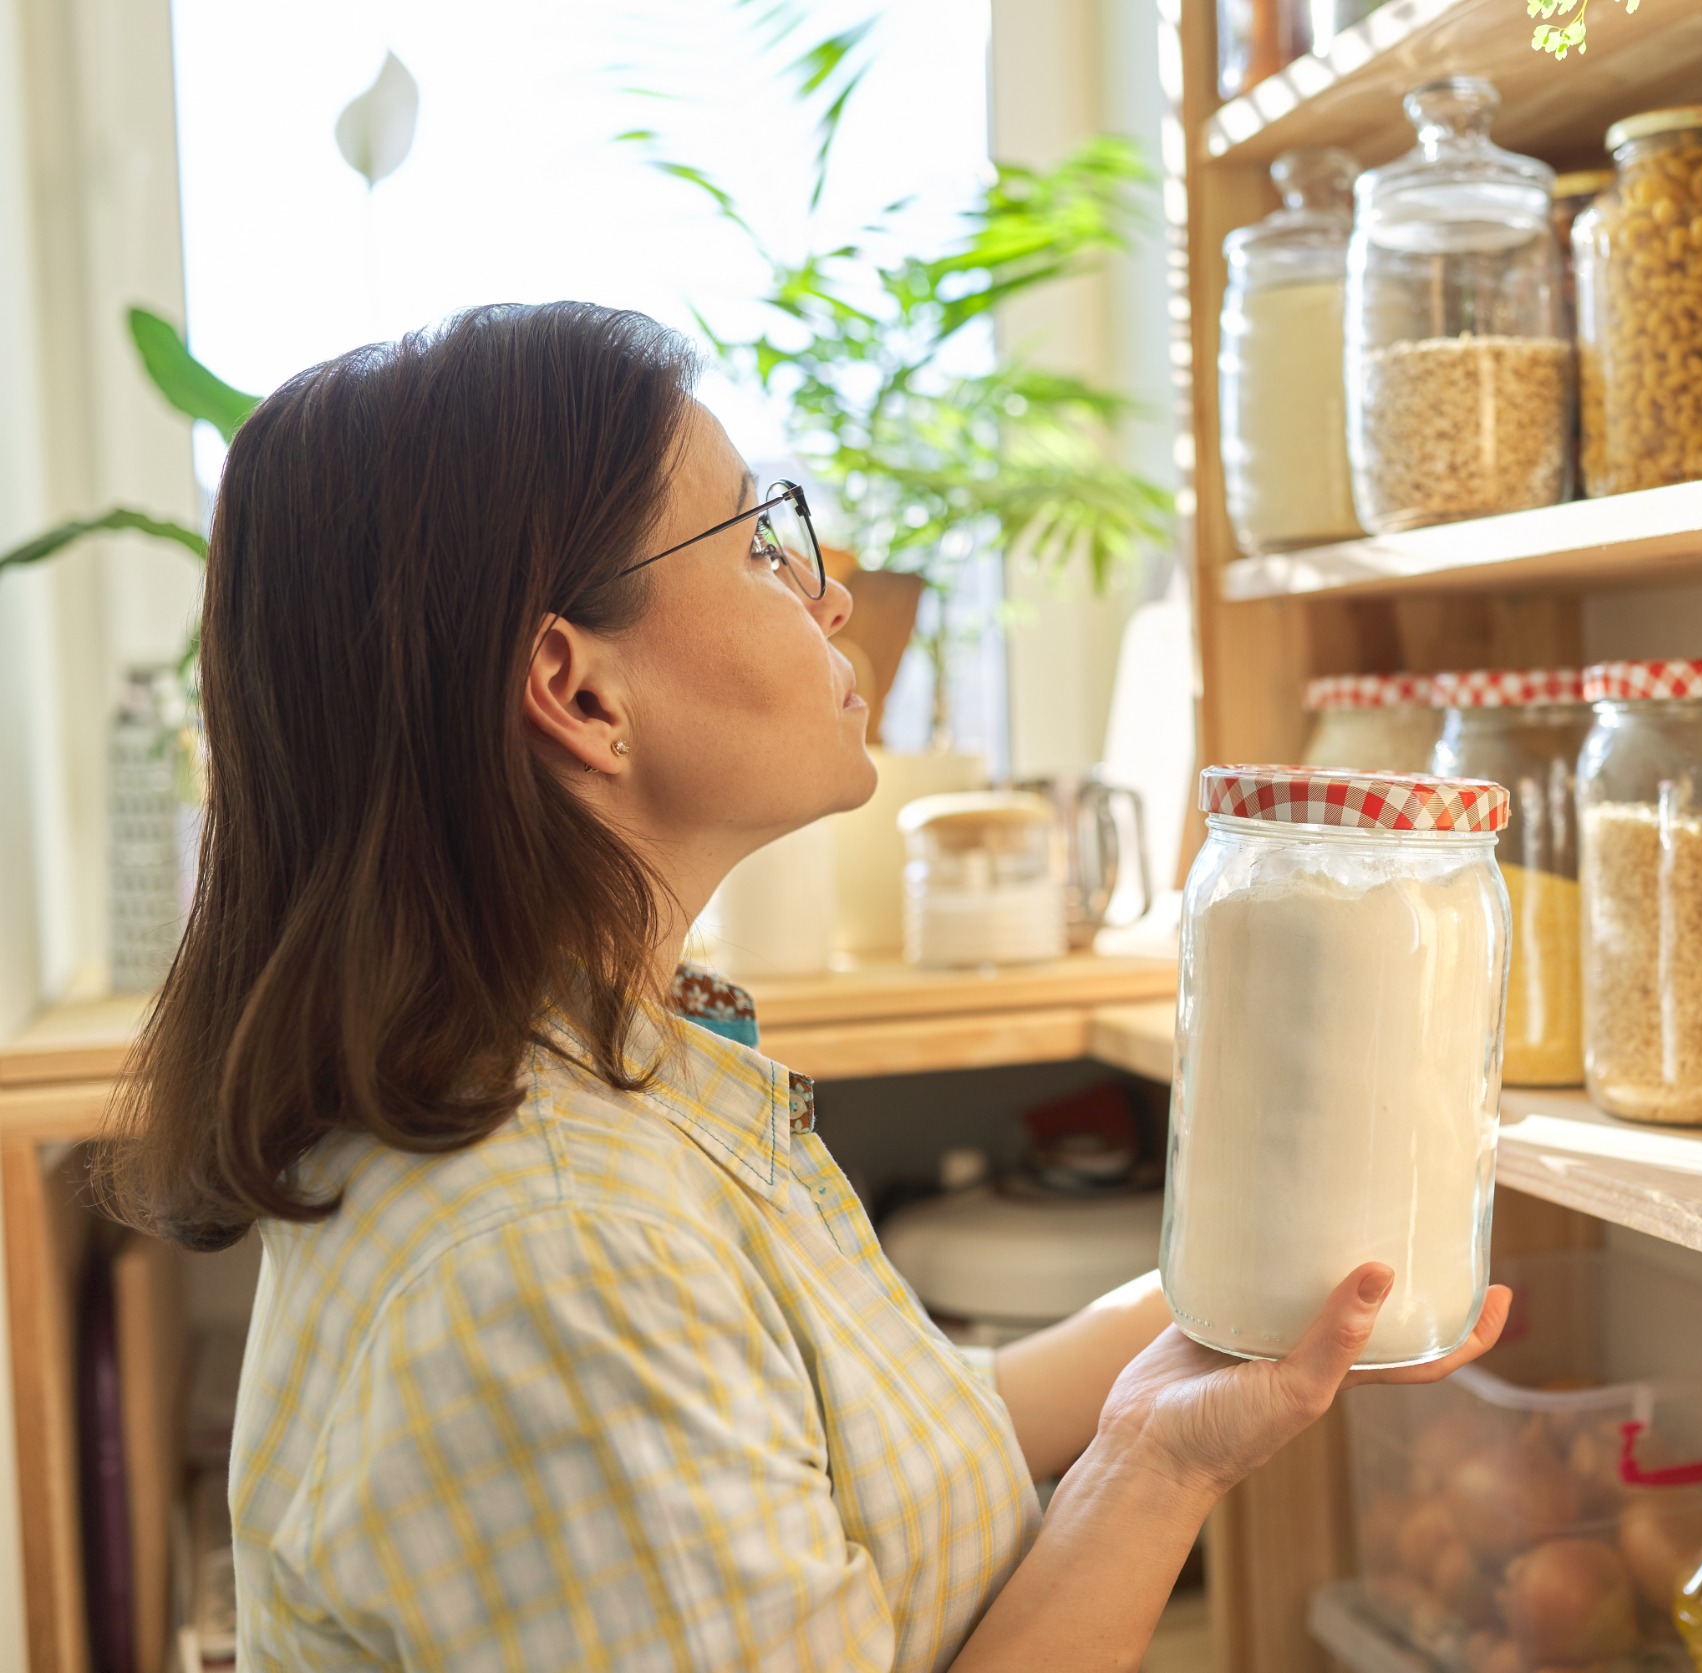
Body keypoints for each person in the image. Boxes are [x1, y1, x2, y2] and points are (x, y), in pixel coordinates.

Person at [103, 303, 1510, 1670]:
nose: (830, 589)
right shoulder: (555, 1249)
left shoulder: (608, 1079)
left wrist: (1274, 1286)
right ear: (576, 689)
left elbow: (884, 1455)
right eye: (758, 541)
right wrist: (1154, 1467)